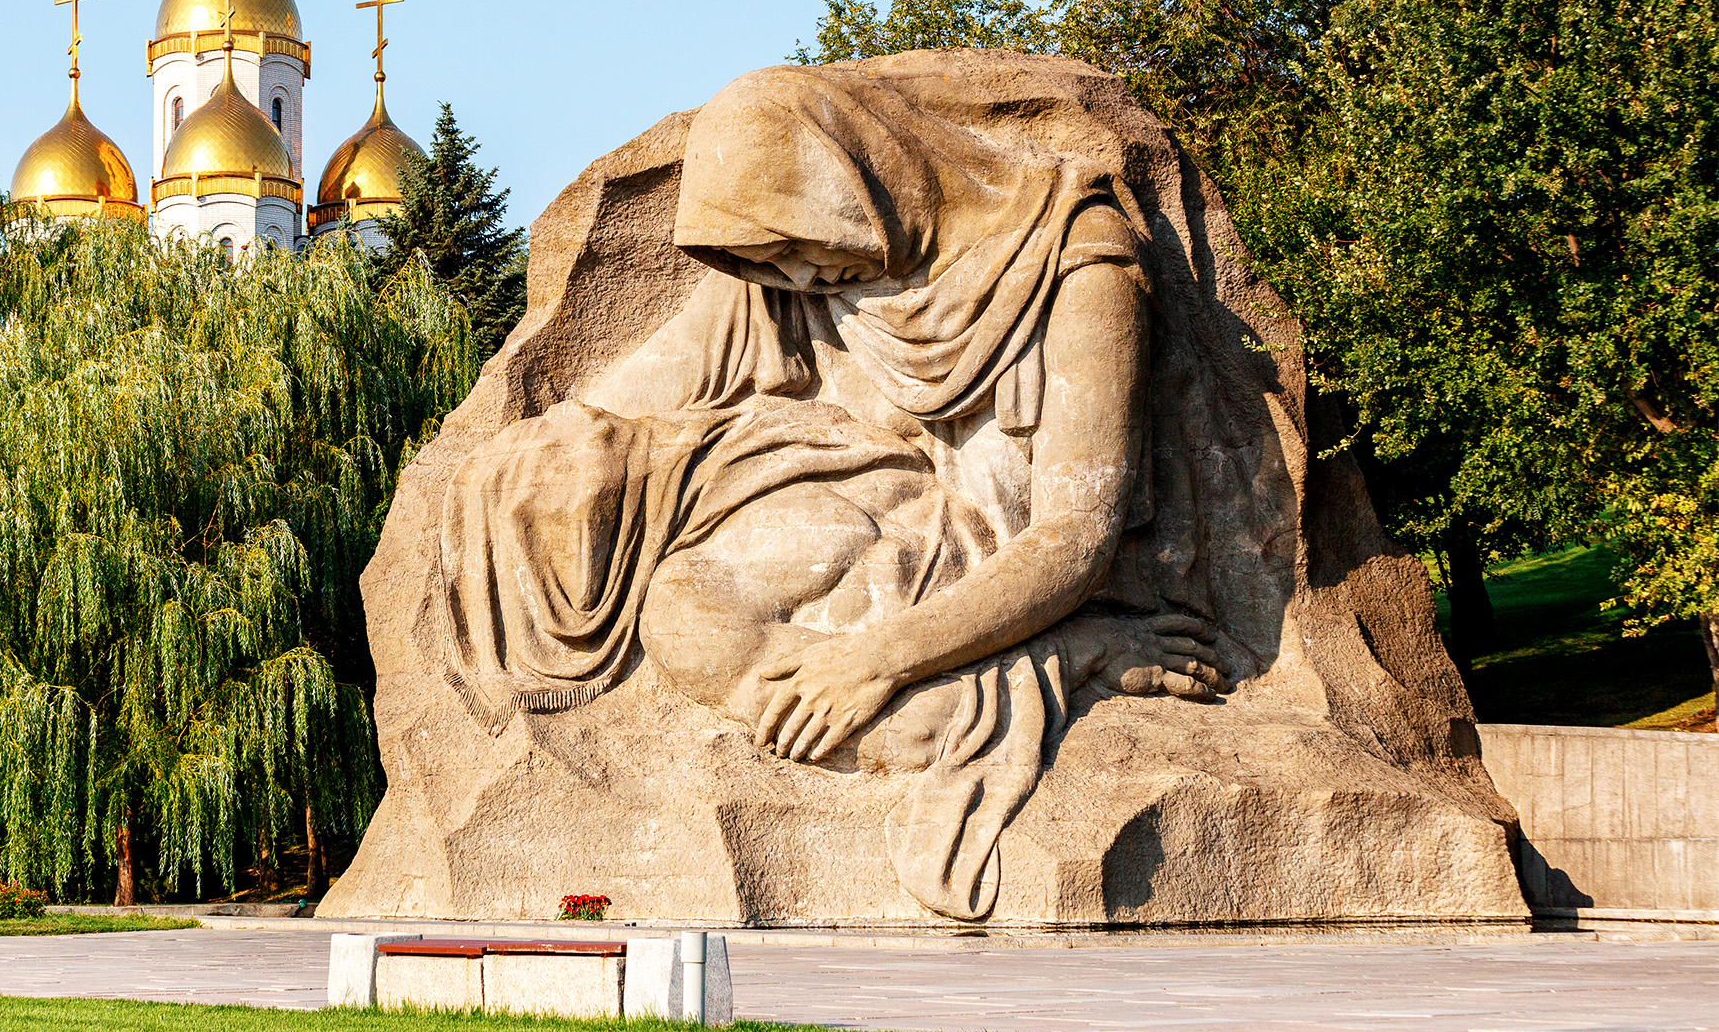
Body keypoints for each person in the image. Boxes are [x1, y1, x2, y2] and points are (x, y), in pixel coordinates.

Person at [434, 63, 1229, 918]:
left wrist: (871, 662)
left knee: (864, 713)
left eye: (798, 246)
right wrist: (515, 470)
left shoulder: (1076, 264)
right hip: (855, 516)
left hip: (1001, 562)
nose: (801, 281)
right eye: (767, 258)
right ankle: (932, 686)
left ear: (852, 177)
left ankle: (1076, 653)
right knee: (685, 615)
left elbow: (1075, 536)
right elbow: (619, 405)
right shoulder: (782, 267)